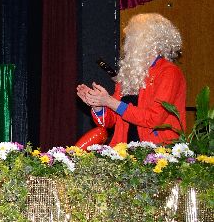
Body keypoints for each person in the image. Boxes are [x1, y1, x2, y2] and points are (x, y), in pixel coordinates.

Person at [76, 13, 186, 145]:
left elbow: (154, 118)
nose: (127, 43)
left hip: (158, 151)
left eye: (132, 37)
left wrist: (110, 101)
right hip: (125, 150)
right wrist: (98, 104)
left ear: (149, 40)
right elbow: (110, 121)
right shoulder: (130, 74)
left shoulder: (169, 72)